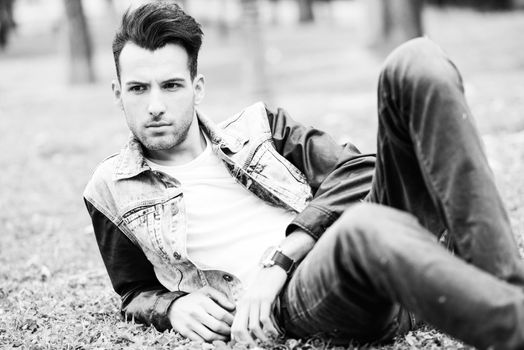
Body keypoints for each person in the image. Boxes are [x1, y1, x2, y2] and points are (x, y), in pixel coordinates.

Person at [83, 2, 524, 349]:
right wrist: (173, 307)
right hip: (300, 298)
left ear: (197, 89)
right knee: (364, 228)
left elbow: (359, 169)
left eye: (171, 85)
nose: (155, 105)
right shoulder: (111, 189)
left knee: (416, 58)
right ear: (118, 94)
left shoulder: (261, 127)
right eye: (139, 89)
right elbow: (134, 290)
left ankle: (506, 286)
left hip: (334, 255)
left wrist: (284, 255)